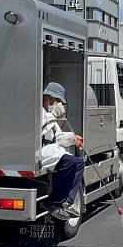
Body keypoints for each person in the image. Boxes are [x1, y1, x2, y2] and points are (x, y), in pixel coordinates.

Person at [41, 82, 85, 221]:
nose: (58, 104)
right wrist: (53, 114)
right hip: (40, 150)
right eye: (57, 101)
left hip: (52, 149)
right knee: (74, 163)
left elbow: (58, 137)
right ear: (48, 97)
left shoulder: (48, 115)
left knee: (78, 163)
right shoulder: (38, 112)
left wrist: (73, 138)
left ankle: (65, 202)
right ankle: (56, 202)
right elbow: (37, 127)